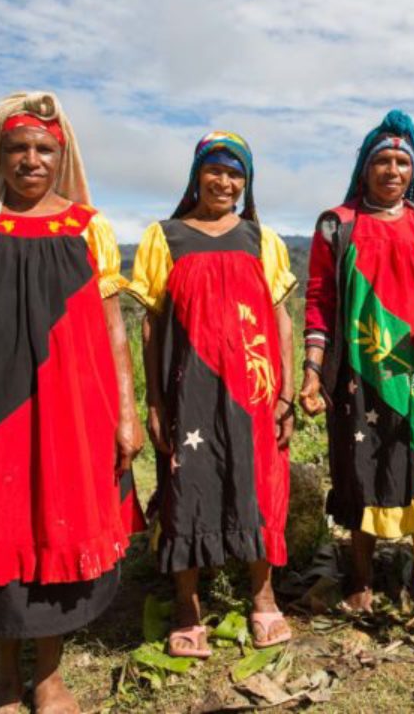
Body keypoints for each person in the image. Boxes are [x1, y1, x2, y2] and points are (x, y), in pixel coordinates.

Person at [0, 91, 144, 714]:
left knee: (60, 527)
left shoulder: (88, 227)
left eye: (44, 148)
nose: (31, 159)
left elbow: (114, 329)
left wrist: (126, 413)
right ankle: (5, 677)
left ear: (61, 154)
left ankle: (48, 674)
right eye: (18, 147)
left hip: (74, 409)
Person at [128, 131, 296, 658]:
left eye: (236, 174)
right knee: (188, 487)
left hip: (255, 391)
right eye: (215, 171)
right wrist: (154, 401)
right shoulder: (165, 237)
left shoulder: (260, 240)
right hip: (189, 392)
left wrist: (287, 392)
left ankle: (263, 597)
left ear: (246, 184)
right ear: (197, 175)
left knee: (259, 484)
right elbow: (151, 327)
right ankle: (187, 605)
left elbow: (281, 320)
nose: (225, 182)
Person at [299, 109, 414, 613]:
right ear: (365, 167)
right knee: (360, 469)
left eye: (402, 162)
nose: (393, 170)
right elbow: (319, 300)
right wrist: (313, 370)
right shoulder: (338, 224)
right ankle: (360, 577)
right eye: (383, 161)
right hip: (357, 372)